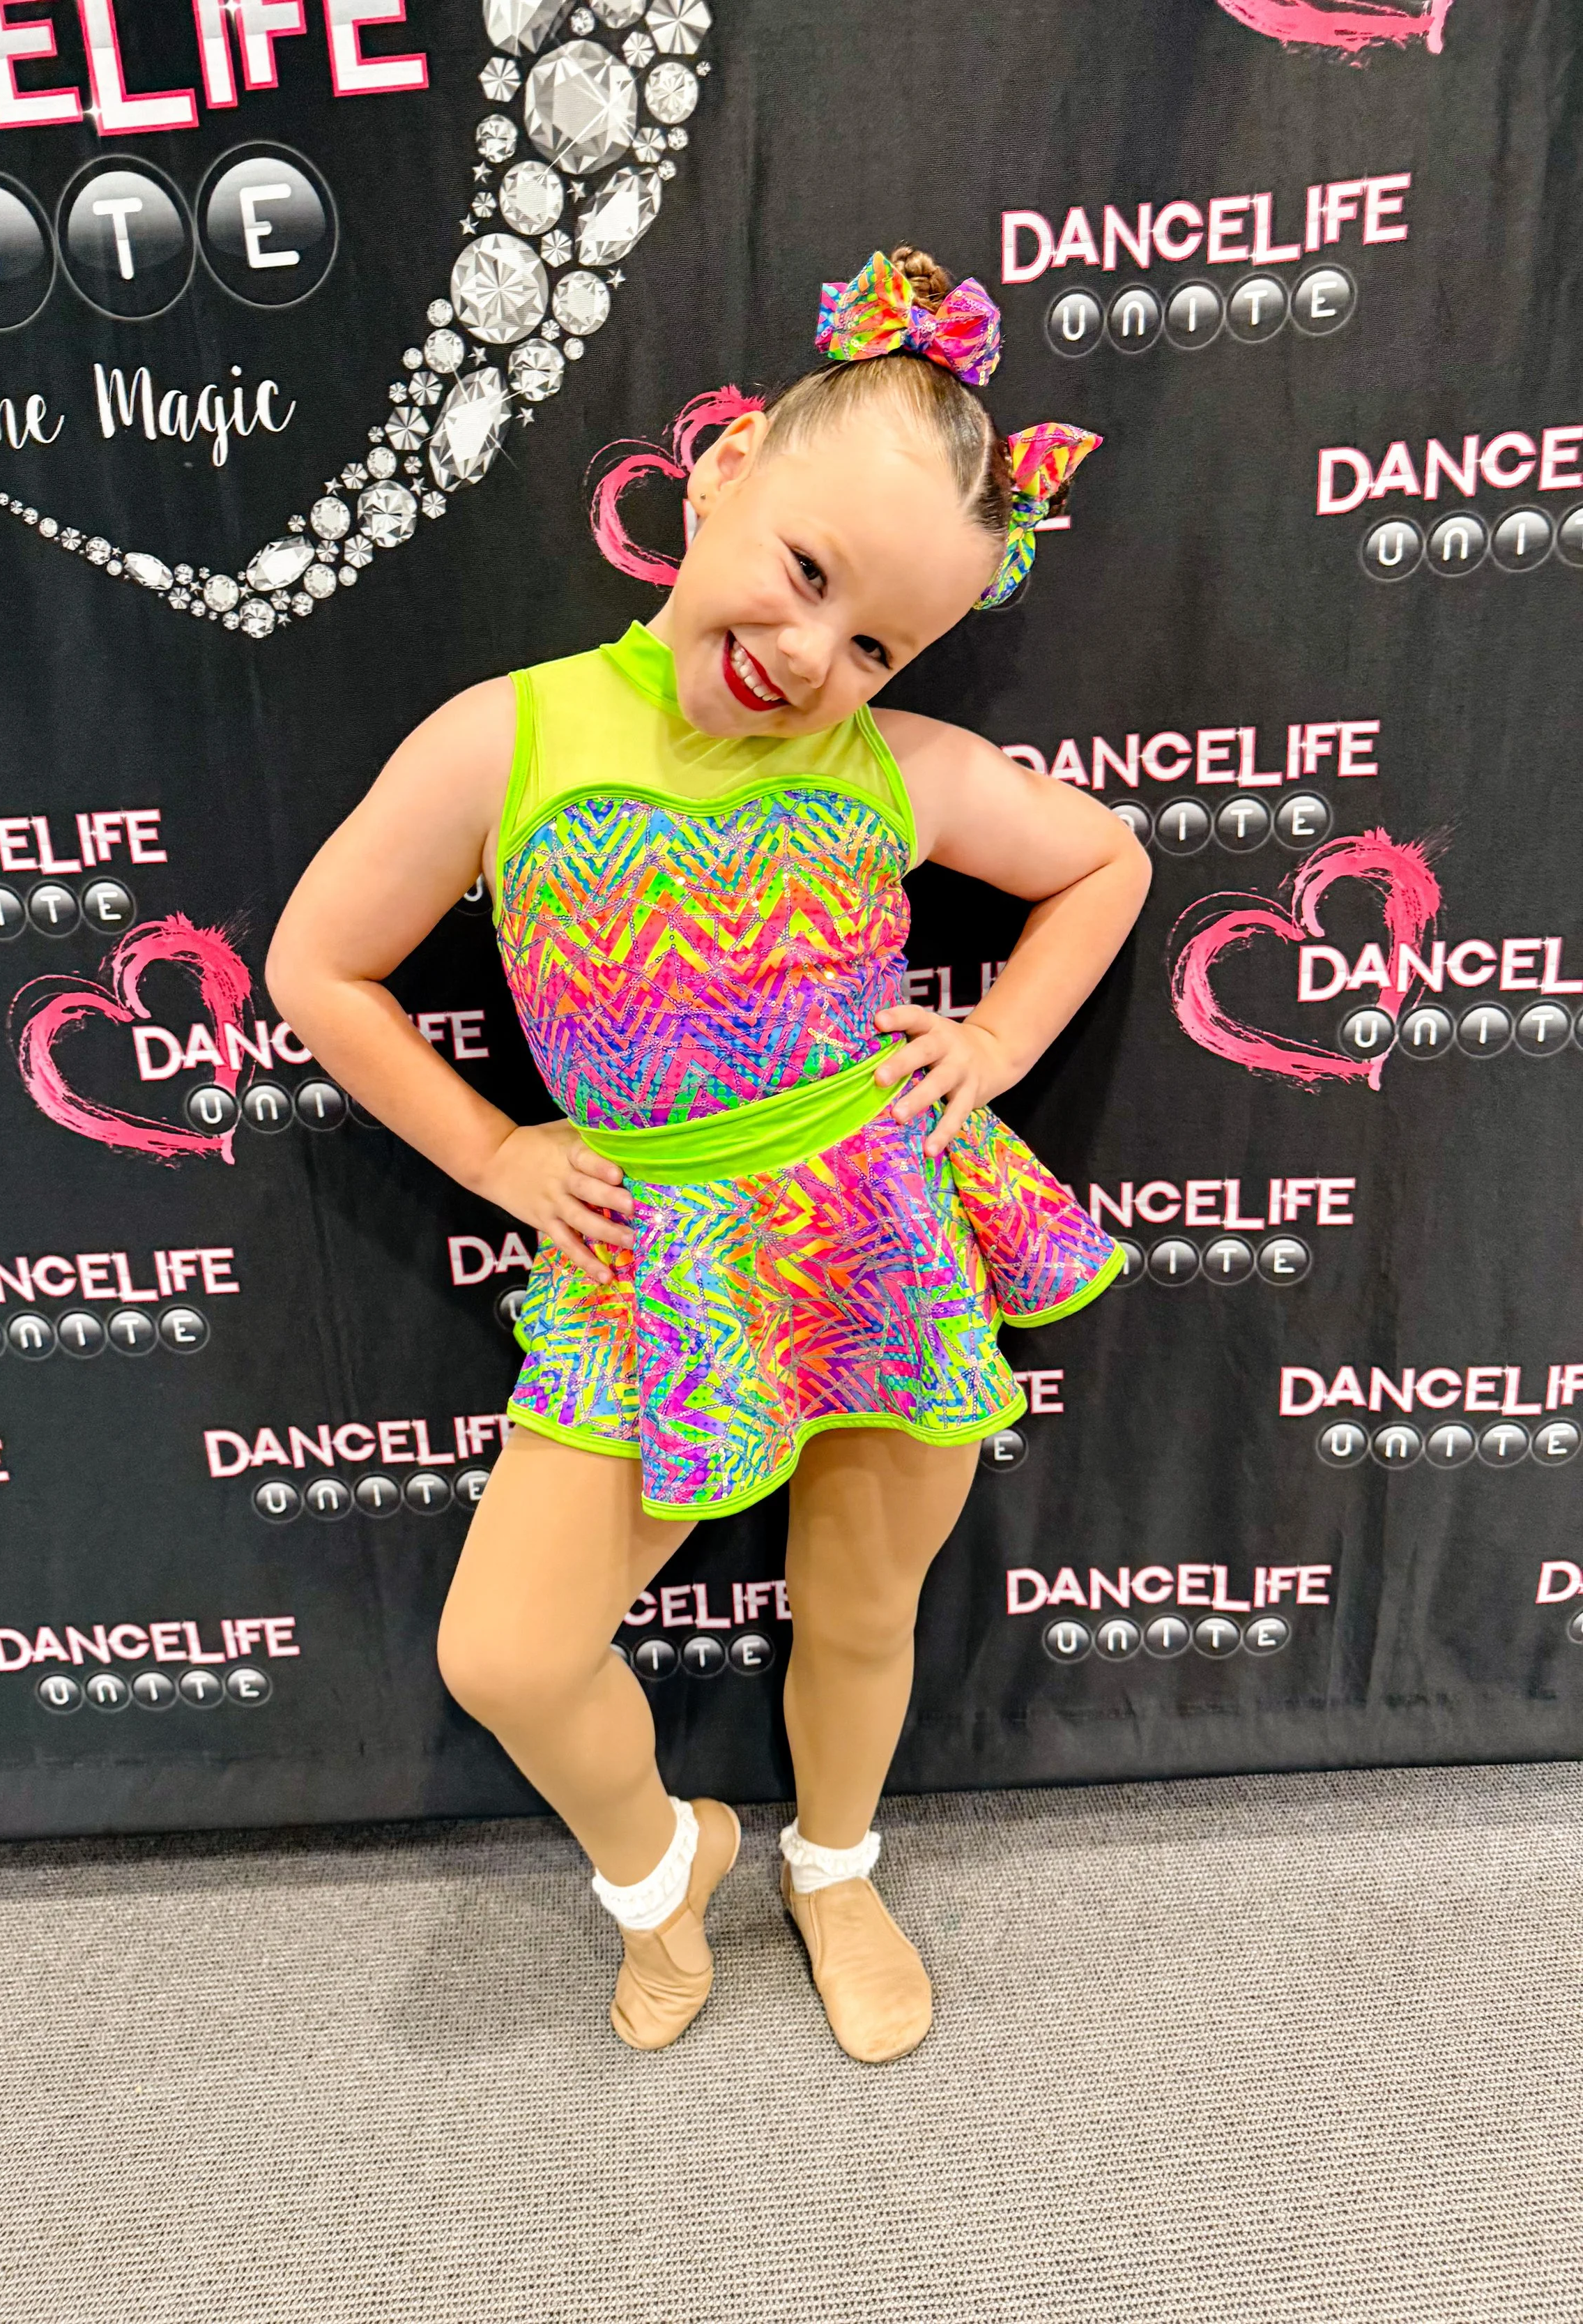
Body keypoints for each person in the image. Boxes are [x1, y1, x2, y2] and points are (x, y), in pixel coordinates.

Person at [266, 245, 1152, 2065]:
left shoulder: (887, 763)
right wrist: (496, 1146)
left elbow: (1103, 863)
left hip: (879, 1223)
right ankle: (660, 1861)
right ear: (724, 464)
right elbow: (315, 966)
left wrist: (988, 1044)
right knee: (508, 1651)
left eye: (878, 639)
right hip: (648, 1248)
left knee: (858, 1600)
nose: (811, 653)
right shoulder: (504, 739)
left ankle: (835, 1864)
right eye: (810, 572)